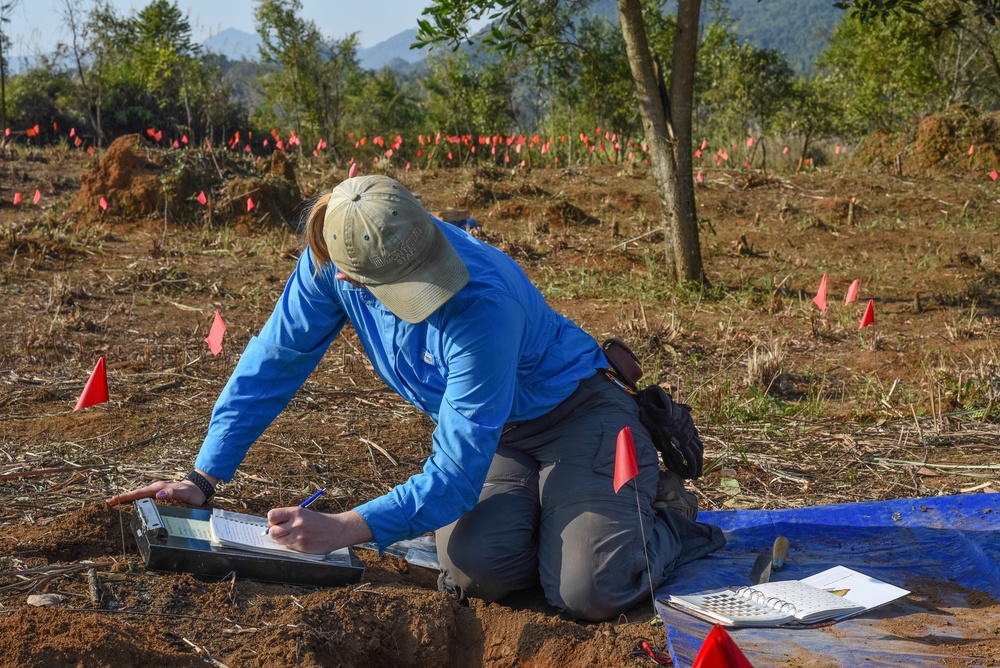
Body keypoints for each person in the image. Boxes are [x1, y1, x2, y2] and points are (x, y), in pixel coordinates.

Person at [111, 174, 725, 621]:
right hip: (500, 437)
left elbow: (455, 478)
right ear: (347, 275)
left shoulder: (484, 303)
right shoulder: (328, 266)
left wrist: (343, 528)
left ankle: (667, 516)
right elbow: (273, 363)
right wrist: (203, 477)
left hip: (580, 416)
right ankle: (570, 516)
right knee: (477, 572)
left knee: (589, 590)